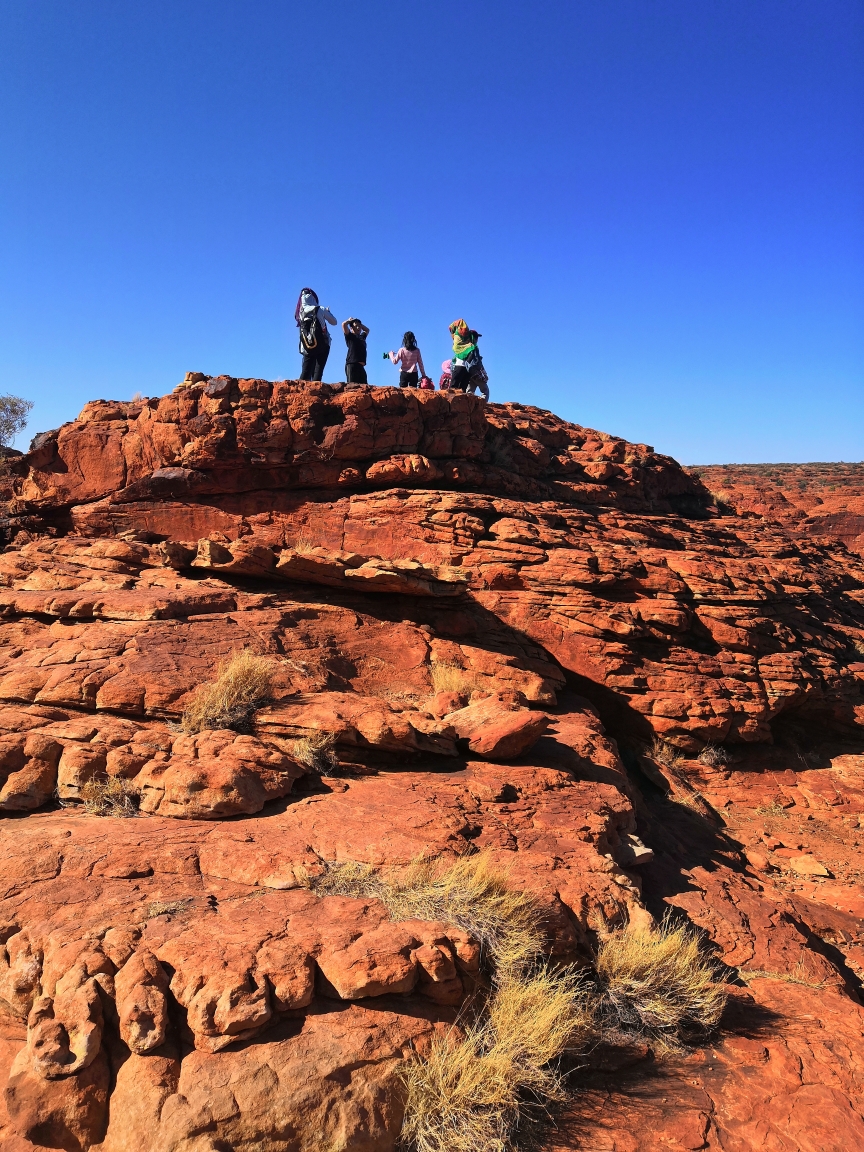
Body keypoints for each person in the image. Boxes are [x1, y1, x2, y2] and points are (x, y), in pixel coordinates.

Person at [296, 288, 337, 381]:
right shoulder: (320, 309)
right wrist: (328, 312)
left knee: (305, 371)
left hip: (307, 344)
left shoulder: (300, 312)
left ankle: (300, 392)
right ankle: (315, 391)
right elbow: (334, 322)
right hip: (323, 343)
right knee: (318, 371)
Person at [448, 318, 489, 399]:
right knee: (459, 389)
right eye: (476, 337)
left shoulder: (460, 344)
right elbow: (477, 363)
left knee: (458, 388)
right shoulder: (470, 346)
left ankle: (455, 407)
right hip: (467, 370)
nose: (477, 339)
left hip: (462, 368)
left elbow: (452, 330)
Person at [342, 317, 369, 384]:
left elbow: (367, 330)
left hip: (361, 366)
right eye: (356, 326)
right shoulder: (350, 336)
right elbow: (344, 325)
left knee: (364, 388)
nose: (358, 328)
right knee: (352, 387)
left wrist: (359, 324)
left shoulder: (362, 337)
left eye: (359, 326)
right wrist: (349, 321)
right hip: (352, 365)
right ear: (351, 328)